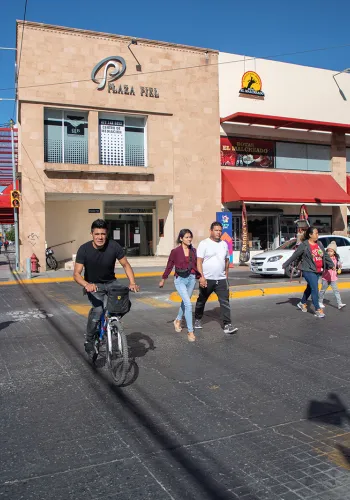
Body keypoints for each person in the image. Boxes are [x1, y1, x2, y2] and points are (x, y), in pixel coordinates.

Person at [73, 219, 139, 356]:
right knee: (98, 310)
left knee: (125, 303)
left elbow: (125, 265)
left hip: (111, 282)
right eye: (97, 234)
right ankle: (89, 340)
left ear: (107, 234)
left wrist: (132, 282)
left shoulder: (114, 246)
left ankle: (112, 320)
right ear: (91, 234)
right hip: (93, 284)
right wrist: (87, 285)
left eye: (103, 234)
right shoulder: (84, 249)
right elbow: (76, 274)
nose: (100, 237)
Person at [194, 221, 238, 335]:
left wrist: (226, 276)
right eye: (216, 230)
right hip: (207, 279)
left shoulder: (224, 244)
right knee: (201, 300)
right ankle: (198, 319)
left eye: (220, 230)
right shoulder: (204, 244)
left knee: (225, 302)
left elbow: (227, 261)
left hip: (222, 280)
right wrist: (201, 277)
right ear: (211, 231)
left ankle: (227, 324)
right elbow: (199, 261)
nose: (218, 232)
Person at [283, 226, 334, 318]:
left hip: (318, 270)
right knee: (315, 288)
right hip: (308, 270)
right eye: (316, 233)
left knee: (310, 288)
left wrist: (331, 264)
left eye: (318, 233)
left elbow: (325, 255)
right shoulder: (304, 245)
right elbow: (295, 255)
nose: (317, 235)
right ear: (310, 235)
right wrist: (286, 264)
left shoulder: (319, 244)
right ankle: (318, 309)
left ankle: (302, 303)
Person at [159, 229, 199, 342]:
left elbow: (197, 265)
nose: (189, 239)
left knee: (185, 302)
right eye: (186, 237)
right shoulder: (175, 251)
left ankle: (177, 320)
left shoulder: (194, 250)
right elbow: (169, 265)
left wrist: (200, 276)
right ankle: (190, 332)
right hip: (180, 279)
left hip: (191, 279)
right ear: (181, 239)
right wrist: (163, 279)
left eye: (190, 237)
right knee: (188, 304)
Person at [318, 241, 346, 310]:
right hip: (326, 278)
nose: (329, 252)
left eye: (331, 251)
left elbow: (337, 266)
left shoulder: (336, 258)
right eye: (328, 251)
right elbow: (325, 265)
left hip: (333, 278)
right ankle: (320, 301)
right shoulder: (326, 259)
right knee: (323, 290)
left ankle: (339, 304)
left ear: (334, 252)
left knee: (336, 291)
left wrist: (339, 266)